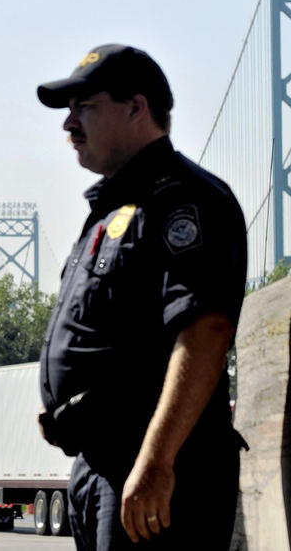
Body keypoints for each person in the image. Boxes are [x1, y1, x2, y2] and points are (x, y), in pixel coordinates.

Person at [36, 44, 247, 549]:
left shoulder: (183, 201)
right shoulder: (112, 213)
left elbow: (205, 332)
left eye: (84, 106)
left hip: (153, 470)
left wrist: (156, 464)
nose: (69, 125)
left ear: (136, 108)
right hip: (101, 468)